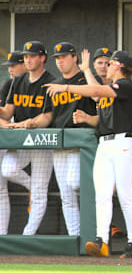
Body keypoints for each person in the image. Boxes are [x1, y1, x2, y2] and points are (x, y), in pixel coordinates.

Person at [45, 50, 132, 258]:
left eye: (112, 63)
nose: (108, 65)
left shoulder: (125, 85)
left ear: (121, 66)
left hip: (123, 143)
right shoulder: (108, 88)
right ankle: (101, 241)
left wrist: (66, 87)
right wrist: (87, 69)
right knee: (102, 195)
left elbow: (97, 91)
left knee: (125, 195)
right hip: (105, 144)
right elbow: (98, 94)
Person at [28, 43, 98, 237]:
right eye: (57, 58)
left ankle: (93, 230)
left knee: (74, 182)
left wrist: (87, 71)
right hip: (59, 143)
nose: (60, 61)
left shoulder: (85, 79)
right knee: (66, 195)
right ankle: (75, 236)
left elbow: (98, 97)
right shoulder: (55, 84)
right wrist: (32, 123)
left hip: (81, 144)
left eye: (63, 57)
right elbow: (48, 116)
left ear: (74, 57)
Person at [0, 41, 55, 236]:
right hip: (21, 139)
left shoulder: (51, 81)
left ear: (42, 58)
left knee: (40, 193)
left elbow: (47, 117)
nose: (28, 60)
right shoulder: (18, 81)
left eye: (32, 56)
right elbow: (7, 113)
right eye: (25, 57)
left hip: (42, 139)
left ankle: (28, 236)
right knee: (7, 168)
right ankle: (34, 188)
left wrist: (30, 122)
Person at [0, 51, 30, 235]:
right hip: (7, 138)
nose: (10, 69)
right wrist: (7, 124)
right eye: (9, 66)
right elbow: (4, 115)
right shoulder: (8, 85)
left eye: (14, 65)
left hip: (26, 139)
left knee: (7, 175)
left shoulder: (35, 84)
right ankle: (1, 235)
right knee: (1, 190)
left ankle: (32, 188)